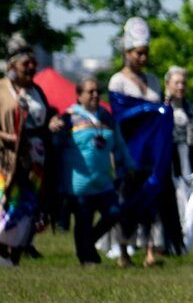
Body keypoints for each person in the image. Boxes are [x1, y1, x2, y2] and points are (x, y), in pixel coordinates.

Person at [104, 19, 171, 266]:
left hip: (151, 152)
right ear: (127, 53)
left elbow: (160, 112)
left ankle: (150, 251)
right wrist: (148, 110)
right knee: (126, 200)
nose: (143, 58)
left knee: (150, 200)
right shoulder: (117, 81)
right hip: (128, 151)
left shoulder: (153, 81)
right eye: (138, 53)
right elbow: (120, 114)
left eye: (146, 53)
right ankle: (123, 251)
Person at [2, 35, 54, 263]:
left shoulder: (38, 92)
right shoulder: (2, 91)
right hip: (7, 158)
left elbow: (44, 121)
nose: (32, 67)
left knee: (28, 207)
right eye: (26, 64)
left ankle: (14, 257)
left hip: (36, 158)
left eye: (34, 63)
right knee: (8, 204)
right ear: (12, 66)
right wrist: (8, 137)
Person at [65, 77, 127, 267]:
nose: (95, 95)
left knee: (114, 213)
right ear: (79, 95)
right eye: (90, 92)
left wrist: (128, 164)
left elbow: (119, 144)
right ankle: (87, 258)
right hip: (79, 183)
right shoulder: (69, 117)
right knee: (83, 220)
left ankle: (87, 244)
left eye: (97, 91)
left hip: (103, 181)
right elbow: (57, 145)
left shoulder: (106, 116)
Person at [166, 67, 193, 250]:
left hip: (188, 163)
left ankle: (182, 243)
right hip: (168, 162)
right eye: (177, 82)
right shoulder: (163, 107)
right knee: (174, 201)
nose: (181, 86)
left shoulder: (190, 109)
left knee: (188, 202)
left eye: (183, 83)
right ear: (168, 84)